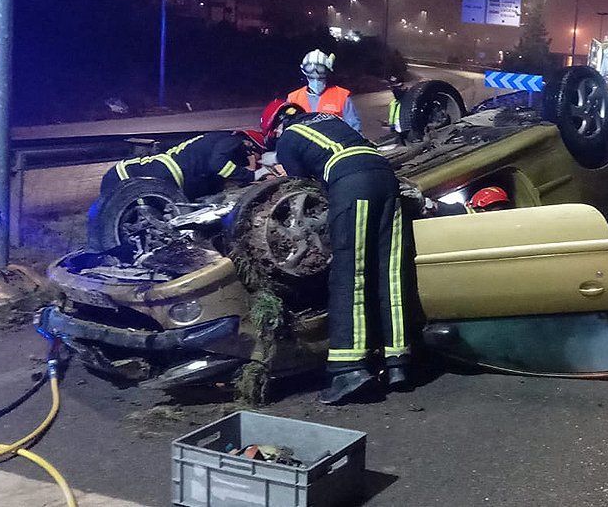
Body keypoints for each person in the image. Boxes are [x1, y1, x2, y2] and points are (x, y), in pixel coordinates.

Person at [263, 100, 415, 405]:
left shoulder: (289, 138)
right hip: (385, 177)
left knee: (350, 274)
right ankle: (398, 363)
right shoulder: (330, 122)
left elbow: (303, 188)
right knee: (389, 274)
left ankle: (349, 369)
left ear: (278, 127)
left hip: (351, 181)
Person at [99, 129, 269, 199]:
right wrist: (252, 175)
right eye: (255, 155)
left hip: (169, 171)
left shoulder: (215, 140)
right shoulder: (233, 140)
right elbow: (219, 165)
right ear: (249, 144)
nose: (253, 160)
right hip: (167, 172)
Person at [286, 49, 362, 133]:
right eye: (310, 69)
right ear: (304, 70)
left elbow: (354, 128)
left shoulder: (341, 96)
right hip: (304, 145)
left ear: (327, 70)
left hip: (335, 144)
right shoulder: (293, 98)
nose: (315, 74)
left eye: (320, 69)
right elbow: (288, 129)